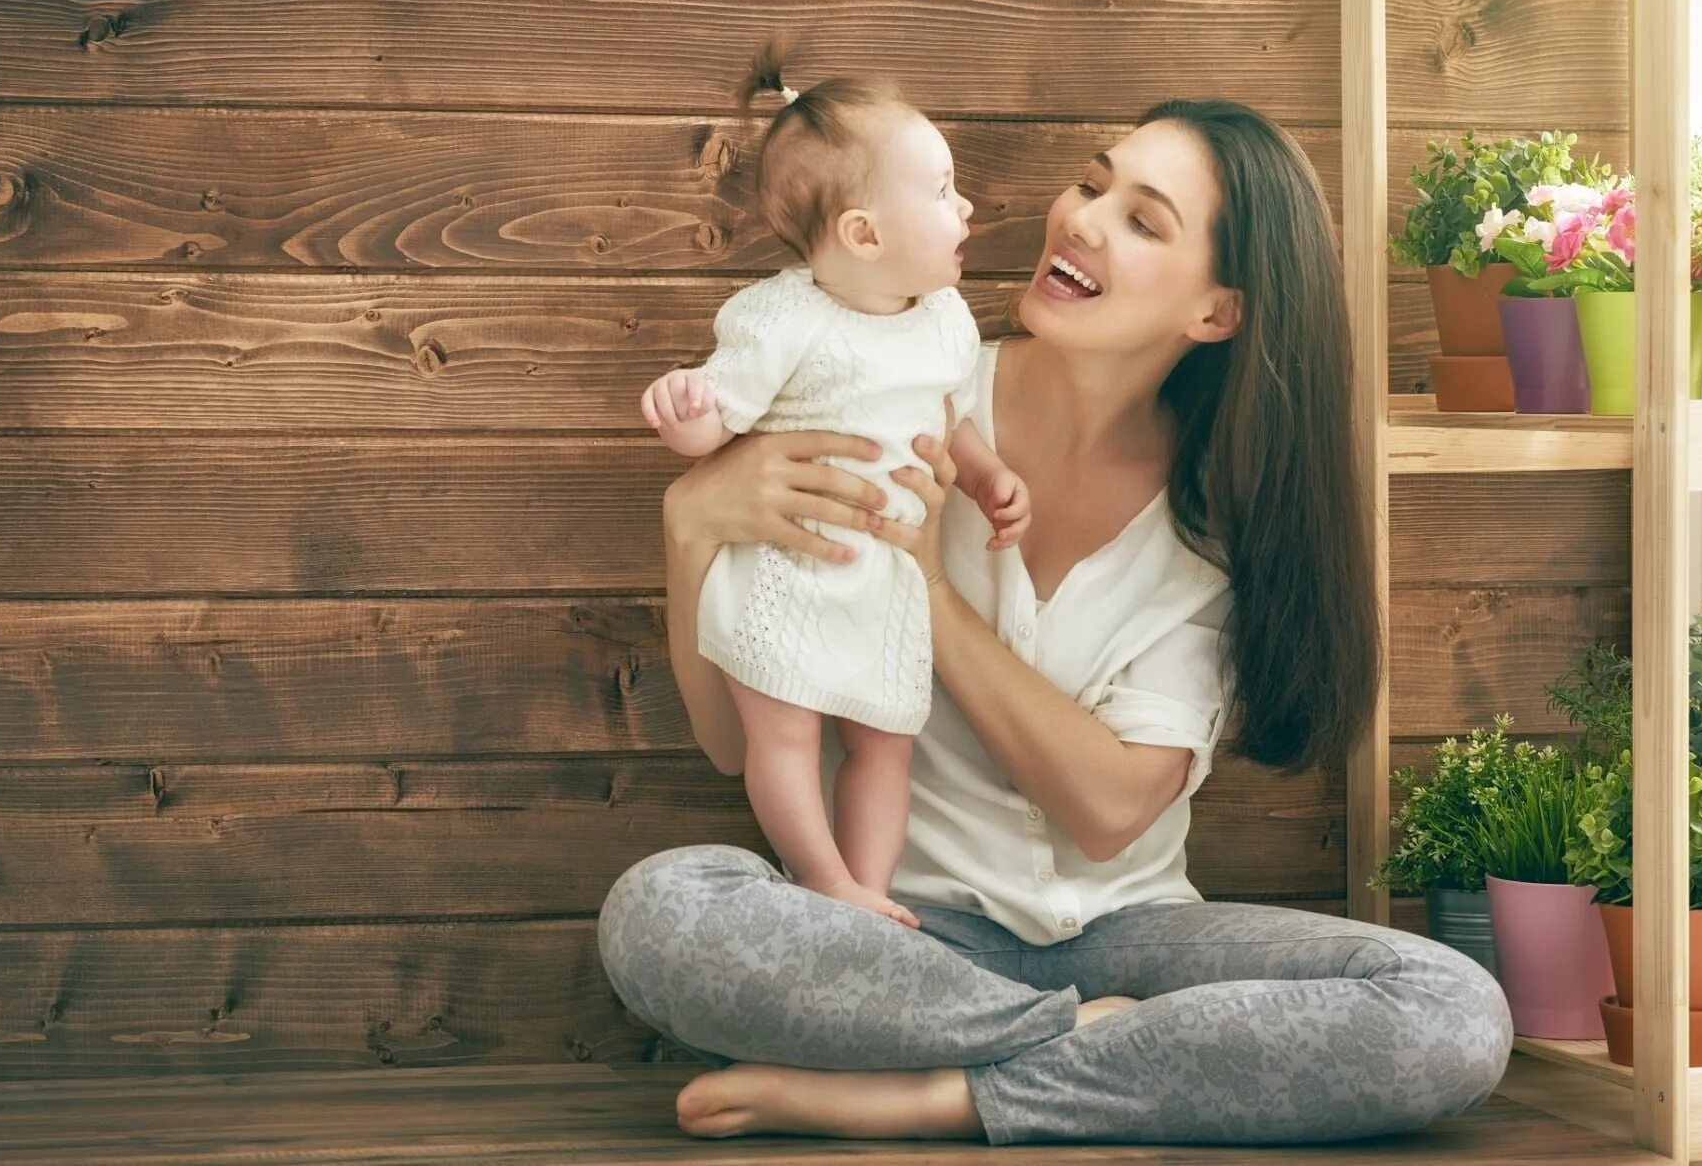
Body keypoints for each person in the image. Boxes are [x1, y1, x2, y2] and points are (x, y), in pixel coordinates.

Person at [599, 99, 1513, 1145]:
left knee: (1447, 1009)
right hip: (896, 941)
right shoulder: (879, 393)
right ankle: (1078, 1049)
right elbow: (734, 739)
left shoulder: (1212, 520)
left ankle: (945, 1092)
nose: (1079, 218)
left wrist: (928, 592)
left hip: (1135, 943)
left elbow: (1105, 807)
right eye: (1091, 183)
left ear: (1215, 312)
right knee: (661, 910)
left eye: (1141, 220)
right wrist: (688, 528)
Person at [640, 51, 1029, 928]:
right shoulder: (785, 320)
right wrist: (682, 413)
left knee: (887, 743)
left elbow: (951, 416)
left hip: (881, 583)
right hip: (788, 573)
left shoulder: (944, 319)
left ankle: (867, 892)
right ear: (863, 234)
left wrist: (989, 474)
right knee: (786, 735)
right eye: (942, 190)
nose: (966, 206)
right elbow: (719, 419)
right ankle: (821, 875)